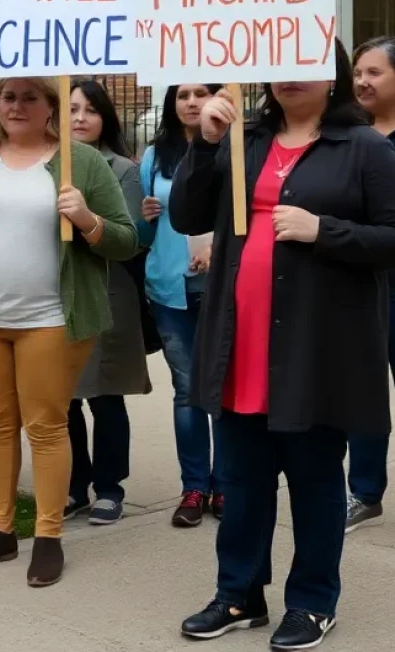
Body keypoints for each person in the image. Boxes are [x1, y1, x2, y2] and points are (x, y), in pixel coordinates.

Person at [173, 41, 395, 650]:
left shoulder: (366, 149)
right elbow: (185, 213)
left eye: (308, 62)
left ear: (335, 75)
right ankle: (239, 593)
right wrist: (205, 142)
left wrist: (326, 231)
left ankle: (314, 601)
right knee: (241, 479)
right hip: (240, 340)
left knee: (315, 479)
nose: (291, 76)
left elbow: (392, 236)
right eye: (280, 61)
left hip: (316, 346)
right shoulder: (243, 142)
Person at [0, 76, 138, 587]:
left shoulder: (81, 162)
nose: (17, 106)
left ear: (51, 106)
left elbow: (125, 240)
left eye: (30, 97)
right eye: (9, 96)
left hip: (51, 320)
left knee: (46, 425)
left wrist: (88, 220)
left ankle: (48, 536)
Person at [66, 80, 151, 525]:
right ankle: (73, 484)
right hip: (56, 297)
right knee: (62, 398)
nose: (80, 118)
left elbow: (132, 238)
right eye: (71, 109)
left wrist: (86, 220)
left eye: (90, 110)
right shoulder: (44, 166)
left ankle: (110, 486)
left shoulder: (122, 170)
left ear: (106, 119)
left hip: (106, 293)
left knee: (105, 396)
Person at [139, 83, 223, 528]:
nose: (192, 102)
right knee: (188, 390)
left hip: (223, 288)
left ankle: (226, 483)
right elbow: (143, 236)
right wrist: (146, 216)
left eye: (201, 92)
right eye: (183, 94)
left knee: (225, 388)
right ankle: (195, 486)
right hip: (170, 289)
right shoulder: (156, 156)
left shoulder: (236, 149)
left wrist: (217, 246)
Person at [346, 36, 395, 532]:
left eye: (374, 72)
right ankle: (364, 491)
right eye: (358, 71)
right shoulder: (347, 136)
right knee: (363, 393)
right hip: (359, 284)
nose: (362, 81)